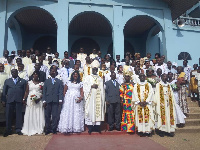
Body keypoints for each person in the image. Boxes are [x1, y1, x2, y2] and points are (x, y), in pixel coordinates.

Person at [2, 69, 27, 137]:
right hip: (9, 100)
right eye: (12, 72)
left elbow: (25, 91)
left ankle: (18, 129)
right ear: (11, 73)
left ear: (17, 72)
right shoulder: (7, 81)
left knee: (19, 115)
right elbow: (4, 92)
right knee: (8, 115)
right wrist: (3, 100)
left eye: (15, 72)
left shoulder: (23, 81)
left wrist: (24, 99)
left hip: (19, 100)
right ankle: (8, 130)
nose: (14, 73)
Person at [83, 60, 105, 134]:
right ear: (91, 69)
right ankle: (90, 128)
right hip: (90, 97)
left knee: (97, 111)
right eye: (94, 69)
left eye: (96, 69)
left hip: (98, 97)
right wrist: (91, 86)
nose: (95, 70)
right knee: (91, 111)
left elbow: (102, 88)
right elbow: (85, 87)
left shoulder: (100, 78)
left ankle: (97, 127)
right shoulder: (88, 77)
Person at [21, 71, 45, 136]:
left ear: (38, 76)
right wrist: (24, 99)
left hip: (38, 100)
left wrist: (39, 98)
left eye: (36, 74)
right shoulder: (29, 83)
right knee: (31, 113)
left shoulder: (41, 83)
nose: (35, 75)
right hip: (30, 100)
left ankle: (38, 128)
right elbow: (26, 92)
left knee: (37, 113)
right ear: (32, 76)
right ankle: (30, 127)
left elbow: (43, 92)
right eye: (34, 74)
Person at [43, 68, 64, 135]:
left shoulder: (59, 81)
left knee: (55, 115)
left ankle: (54, 129)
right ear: (50, 73)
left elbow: (61, 91)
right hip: (48, 100)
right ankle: (47, 129)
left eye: (54, 71)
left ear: (56, 73)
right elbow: (44, 91)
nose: (53, 72)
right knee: (47, 115)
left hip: (55, 100)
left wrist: (60, 99)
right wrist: (44, 100)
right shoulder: (46, 81)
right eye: (51, 71)